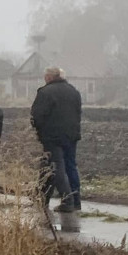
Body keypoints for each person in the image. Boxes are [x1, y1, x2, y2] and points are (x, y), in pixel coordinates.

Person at [31, 66, 82, 213]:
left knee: (56, 167)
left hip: (52, 136)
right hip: (71, 135)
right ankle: (74, 200)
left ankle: (68, 201)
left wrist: (39, 132)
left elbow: (36, 116)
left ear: (48, 77)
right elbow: (78, 112)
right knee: (69, 166)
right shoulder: (74, 91)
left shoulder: (45, 92)